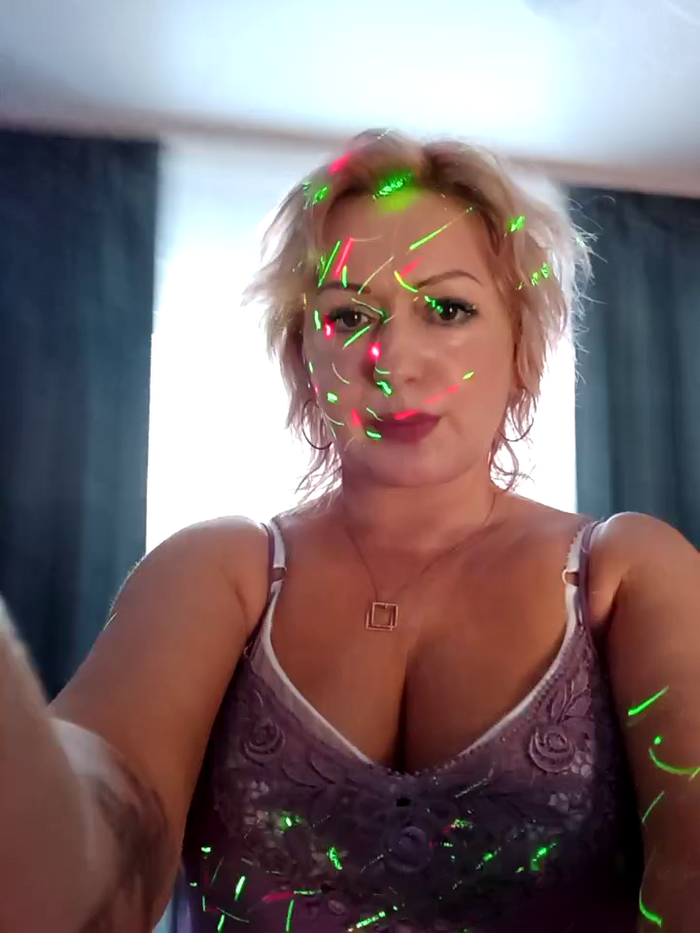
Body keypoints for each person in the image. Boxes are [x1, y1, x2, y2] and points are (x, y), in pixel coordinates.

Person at [1, 130, 699, 933]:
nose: (393, 357)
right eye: (348, 316)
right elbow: (111, 834)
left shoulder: (625, 572)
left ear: (523, 349)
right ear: (303, 360)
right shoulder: (217, 569)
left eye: (448, 309)